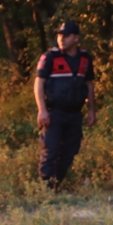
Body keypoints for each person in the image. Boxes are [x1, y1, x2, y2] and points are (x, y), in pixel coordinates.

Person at [35, 21, 97, 189]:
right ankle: (45, 189)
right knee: (51, 150)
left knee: (70, 152)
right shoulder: (50, 57)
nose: (61, 38)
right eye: (60, 35)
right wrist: (42, 110)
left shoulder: (85, 58)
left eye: (66, 35)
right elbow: (39, 83)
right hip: (54, 111)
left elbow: (89, 85)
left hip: (75, 113)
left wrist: (92, 110)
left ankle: (56, 185)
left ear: (76, 38)